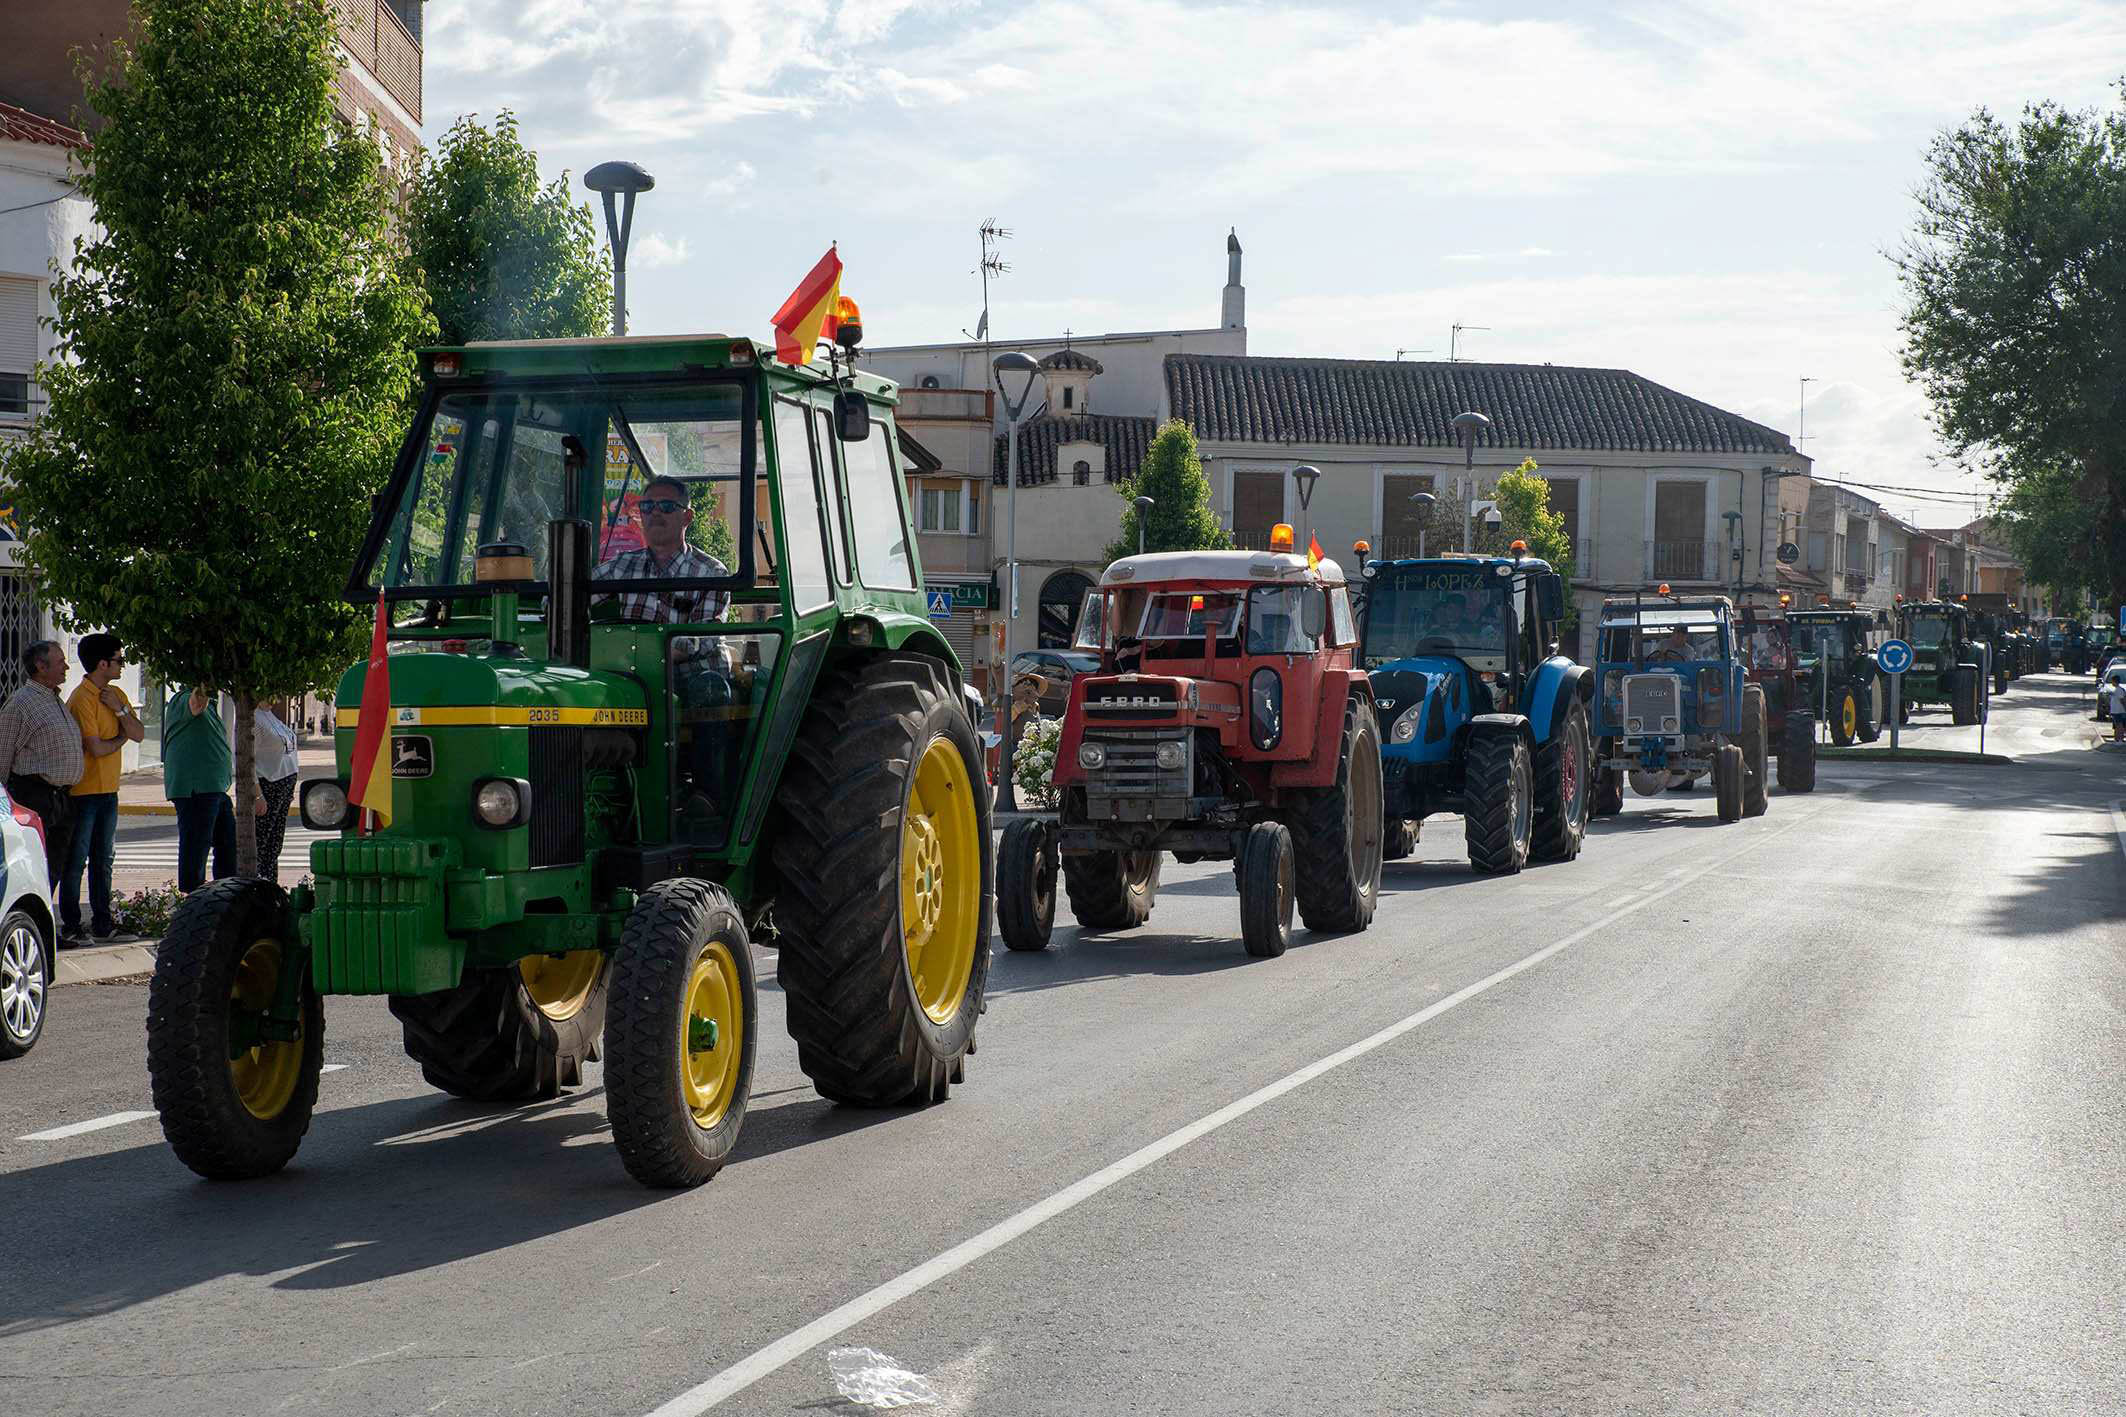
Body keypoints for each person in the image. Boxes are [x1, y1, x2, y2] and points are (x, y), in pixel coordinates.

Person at [60, 634, 144, 944]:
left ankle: (102, 922)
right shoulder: (81, 699)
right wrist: (121, 737)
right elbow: (95, 748)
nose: (123, 665)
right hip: (83, 792)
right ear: (102, 663)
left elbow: (138, 733)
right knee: (76, 859)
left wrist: (120, 712)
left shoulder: (116, 694)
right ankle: (70, 924)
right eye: (120, 660)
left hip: (108, 790)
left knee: (103, 859)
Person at [592, 476, 731, 625]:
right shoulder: (623, 565)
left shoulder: (712, 574)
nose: (655, 512)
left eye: (667, 506)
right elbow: (574, 595)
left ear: (687, 517)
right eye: (647, 506)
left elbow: (705, 641)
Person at [0, 640, 83, 888]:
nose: (66, 667)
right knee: (34, 866)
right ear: (40, 666)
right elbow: (3, 755)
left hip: (61, 798)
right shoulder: (20, 704)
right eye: (60, 662)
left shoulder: (55, 700)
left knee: (55, 864)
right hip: (35, 796)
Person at [165, 684, 236, 892]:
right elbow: (196, 704)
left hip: (214, 787)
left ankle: (225, 892)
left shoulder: (212, 705)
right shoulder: (183, 699)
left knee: (227, 844)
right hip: (195, 788)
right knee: (196, 845)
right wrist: (206, 674)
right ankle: (193, 897)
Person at [252, 697, 301, 881]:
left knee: (275, 843)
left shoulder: (269, 714)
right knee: (262, 841)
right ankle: (258, 881)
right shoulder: (254, 719)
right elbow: (245, 761)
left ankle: (270, 882)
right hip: (269, 785)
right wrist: (257, 795)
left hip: (284, 785)